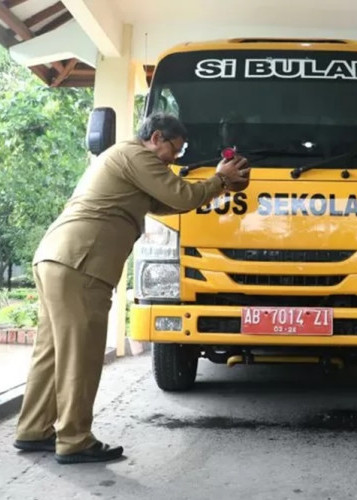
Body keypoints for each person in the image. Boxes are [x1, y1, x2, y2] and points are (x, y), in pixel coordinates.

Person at [13, 113, 250, 464]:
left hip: (57, 258)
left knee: (51, 354)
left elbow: (166, 204)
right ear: (156, 137)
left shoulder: (125, 161)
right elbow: (182, 195)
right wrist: (218, 178)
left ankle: (34, 429)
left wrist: (222, 187)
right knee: (82, 355)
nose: (175, 159)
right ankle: (75, 439)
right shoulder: (136, 155)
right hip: (82, 263)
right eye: (175, 149)